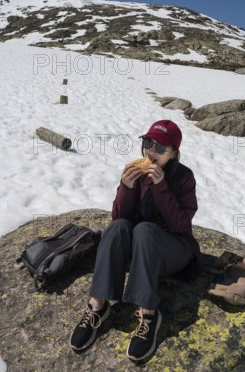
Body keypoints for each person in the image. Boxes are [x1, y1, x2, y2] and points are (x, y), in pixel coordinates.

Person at [69, 120, 200, 361]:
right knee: (117, 227)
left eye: (160, 148)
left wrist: (161, 187)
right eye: (148, 143)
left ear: (173, 153)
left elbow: (181, 224)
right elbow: (121, 220)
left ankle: (148, 314)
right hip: (141, 247)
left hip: (174, 249)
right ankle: (98, 306)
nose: (151, 152)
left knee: (146, 230)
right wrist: (126, 188)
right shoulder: (136, 172)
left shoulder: (184, 177)